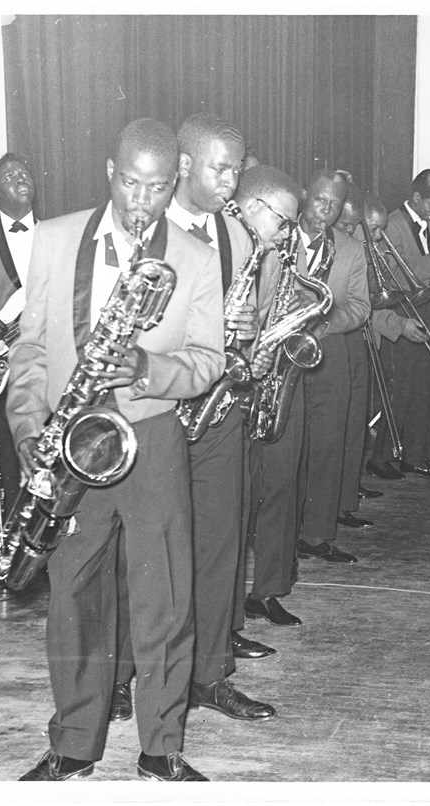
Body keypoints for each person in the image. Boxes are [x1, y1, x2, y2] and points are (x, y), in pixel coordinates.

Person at [8, 118, 225, 781]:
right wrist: (27, 432)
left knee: (164, 598)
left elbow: (207, 362)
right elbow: (32, 349)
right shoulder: (52, 239)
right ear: (111, 172)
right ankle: (73, 743)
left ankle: (161, 747)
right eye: (131, 184)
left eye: (158, 189)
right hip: (72, 441)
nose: (142, 203)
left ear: (175, 184)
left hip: (152, 437)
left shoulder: (196, 258)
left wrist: (141, 366)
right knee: (73, 595)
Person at [111, 113, 276, 724]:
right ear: (183, 165)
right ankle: (122, 675)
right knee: (140, 554)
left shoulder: (232, 233)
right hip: (150, 415)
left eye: (237, 167)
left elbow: (242, 316)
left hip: (217, 411)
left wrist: (246, 328)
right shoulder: (136, 226)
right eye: (221, 168)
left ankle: (209, 675)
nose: (234, 181)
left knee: (215, 547)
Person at [239, 166, 310, 629]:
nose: (288, 232)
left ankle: (267, 590)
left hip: (278, 378)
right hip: (239, 383)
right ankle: (229, 611)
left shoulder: (283, 253)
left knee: (282, 487)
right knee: (242, 498)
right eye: (283, 221)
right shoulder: (232, 248)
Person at [295, 169, 370, 564]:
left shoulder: (351, 250)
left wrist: (327, 322)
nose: (326, 210)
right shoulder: (277, 237)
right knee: (284, 449)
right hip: (280, 356)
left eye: (335, 204)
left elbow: (360, 306)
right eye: (321, 200)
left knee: (327, 446)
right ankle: (280, 531)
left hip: (329, 354)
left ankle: (317, 534)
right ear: (304, 194)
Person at [368, 169, 430, 480]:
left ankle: (416, 456)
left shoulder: (426, 225)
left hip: (422, 307)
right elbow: (393, 276)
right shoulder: (392, 224)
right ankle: (381, 459)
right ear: (416, 197)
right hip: (400, 310)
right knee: (402, 390)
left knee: (424, 387)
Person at [0, 153, 37, 518]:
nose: (20, 177)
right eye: (9, 176)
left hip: (47, 366)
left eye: (24, 172)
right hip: (1, 369)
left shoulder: (59, 234)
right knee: (12, 462)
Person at [334, 187, 384, 528]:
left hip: (357, 340)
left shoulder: (354, 248)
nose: (352, 233)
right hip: (334, 341)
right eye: (348, 225)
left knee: (355, 427)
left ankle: (345, 499)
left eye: (355, 227)